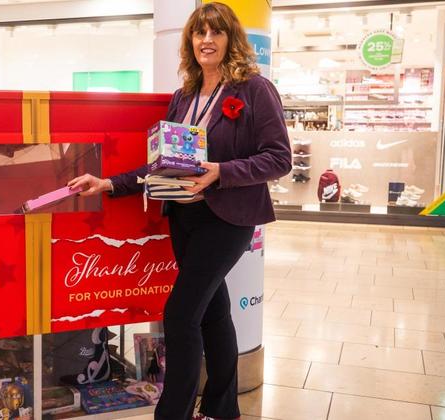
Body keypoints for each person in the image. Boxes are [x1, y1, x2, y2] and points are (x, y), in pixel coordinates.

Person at [68, 3, 291, 420]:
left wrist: (221, 171)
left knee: (181, 312)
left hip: (227, 219)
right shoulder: (184, 96)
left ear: (231, 39)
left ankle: (173, 413)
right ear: (190, 41)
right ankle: (223, 408)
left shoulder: (253, 89)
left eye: (217, 32)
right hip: (185, 218)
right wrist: (109, 183)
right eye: (199, 33)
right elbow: (161, 163)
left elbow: (279, 158)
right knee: (213, 312)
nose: (207, 40)